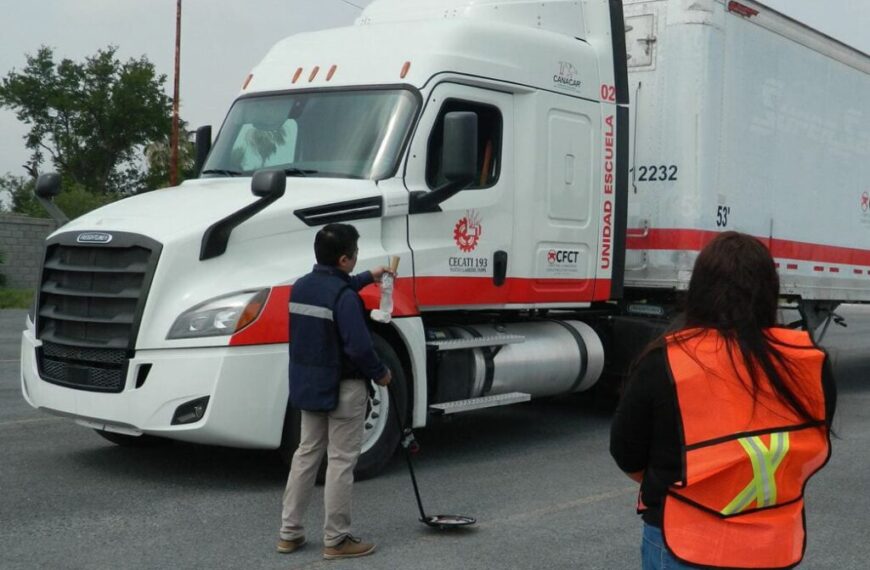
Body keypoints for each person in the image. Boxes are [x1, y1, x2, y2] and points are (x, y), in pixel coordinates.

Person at [610, 231, 836, 569]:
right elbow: (812, 437)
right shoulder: (808, 360)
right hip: (772, 543)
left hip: (681, 539)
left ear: (699, 290)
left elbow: (627, 453)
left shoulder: (667, 360)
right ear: (769, 291)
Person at [278, 222, 393, 560]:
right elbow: (359, 347)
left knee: (306, 454)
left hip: (310, 386)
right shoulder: (345, 299)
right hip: (345, 388)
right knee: (341, 462)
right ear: (345, 259)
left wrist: (369, 276)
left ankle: (289, 533)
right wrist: (381, 373)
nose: (357, 260)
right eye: (355, 256)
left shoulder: (301, 288)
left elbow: (333, 288)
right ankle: (337, 539)